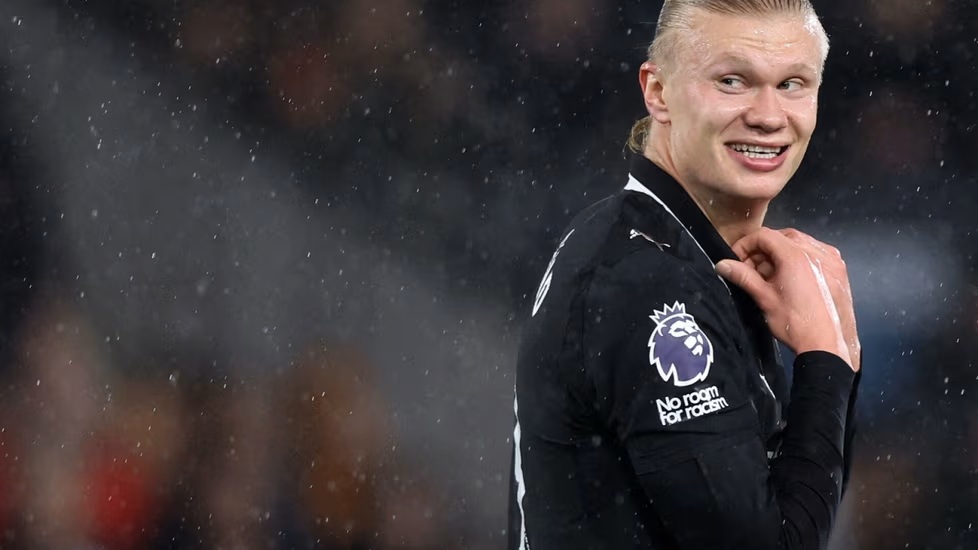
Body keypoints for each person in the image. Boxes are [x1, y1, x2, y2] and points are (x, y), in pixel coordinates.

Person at [508, 1, 862, 549]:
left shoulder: (662, 251)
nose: (769, 116)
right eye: (732, 81)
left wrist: (836, 353)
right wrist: (827, 358)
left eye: (792, 84)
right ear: (658, 92)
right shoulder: (648, 284)